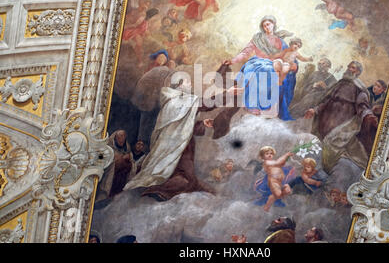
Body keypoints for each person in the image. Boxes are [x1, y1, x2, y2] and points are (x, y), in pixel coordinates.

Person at [123, 71, 243, 201]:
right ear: (179, 86)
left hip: (184, 147)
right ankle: (157, 190)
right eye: (187, 82)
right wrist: (227, 93)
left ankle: (174, 187)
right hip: (175, 149)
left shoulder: (180, 101)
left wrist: (201, 123)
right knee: (184, 180)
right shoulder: (177, 101)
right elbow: (206, 103)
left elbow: (184, 127)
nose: (190, 84)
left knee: (189, 178)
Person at [304, 61, 378, 191]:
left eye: (353, 68)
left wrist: (368, 116)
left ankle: (327, 183)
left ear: (358, 72)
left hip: (341, 124)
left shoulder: (359, 88)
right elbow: (326, 101)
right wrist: (315, 110)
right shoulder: (339, 83)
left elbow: (363, 107)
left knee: (332, 149)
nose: (349, 69)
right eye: (349, 66)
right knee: (318, 147)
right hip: (325, 122)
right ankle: (313, 177)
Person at [224, 15, 298, 120]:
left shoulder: (280, 42)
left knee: (272, 70)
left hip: (273, 64)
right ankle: (252, 105)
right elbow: (245, 53)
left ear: (273, 24)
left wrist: (294, 65)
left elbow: (289, 56)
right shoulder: (257, 38)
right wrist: (232, 61)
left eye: (268, 24)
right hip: (256, 62)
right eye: (264, 26)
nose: (266, 27)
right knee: (262, 70)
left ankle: (268, 107)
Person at [98, 130, 137, 199]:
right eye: (120, 136)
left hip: (121, 181)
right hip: (109, 178)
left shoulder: (127, 148)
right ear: (115, 138)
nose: (122, 139)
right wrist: (114, 159)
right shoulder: (108, 148)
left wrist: (128, 159)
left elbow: (132, 164)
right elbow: (100, 158)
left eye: (124, 136)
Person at [257, 146, 294, 212]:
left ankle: (271, 199)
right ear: (263, 156)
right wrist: (286, 155)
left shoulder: (273, 161)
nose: (269, 155)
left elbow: (281, 163)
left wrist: (286, 159)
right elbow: (278, 163)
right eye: (267, 153)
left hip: (279, 181)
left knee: (286, 192)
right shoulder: (266, 162)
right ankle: (267, 206)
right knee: (278, 194)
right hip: (273, 181)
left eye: (271, 153)